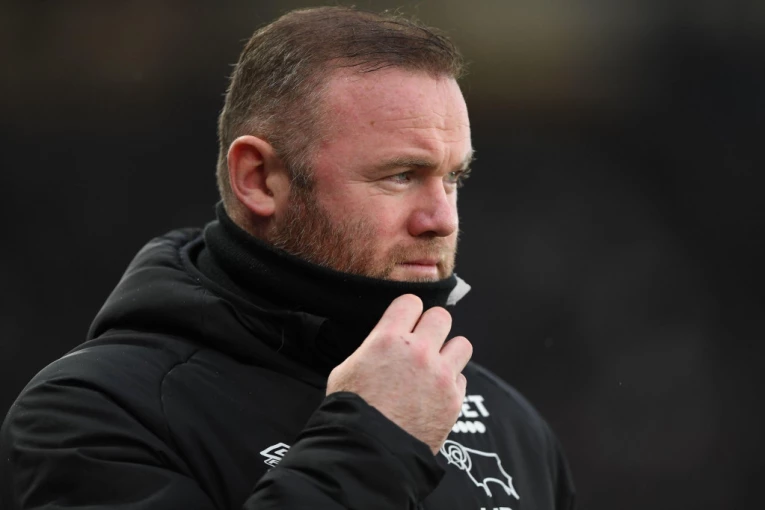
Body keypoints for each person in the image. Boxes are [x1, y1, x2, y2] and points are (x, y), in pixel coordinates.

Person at [1, 6, 575, 509]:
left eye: (453, 178)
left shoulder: (508, 422)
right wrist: (374, 441)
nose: (443, 219)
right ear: (258, 179)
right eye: (401, 175)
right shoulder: (96, 414)